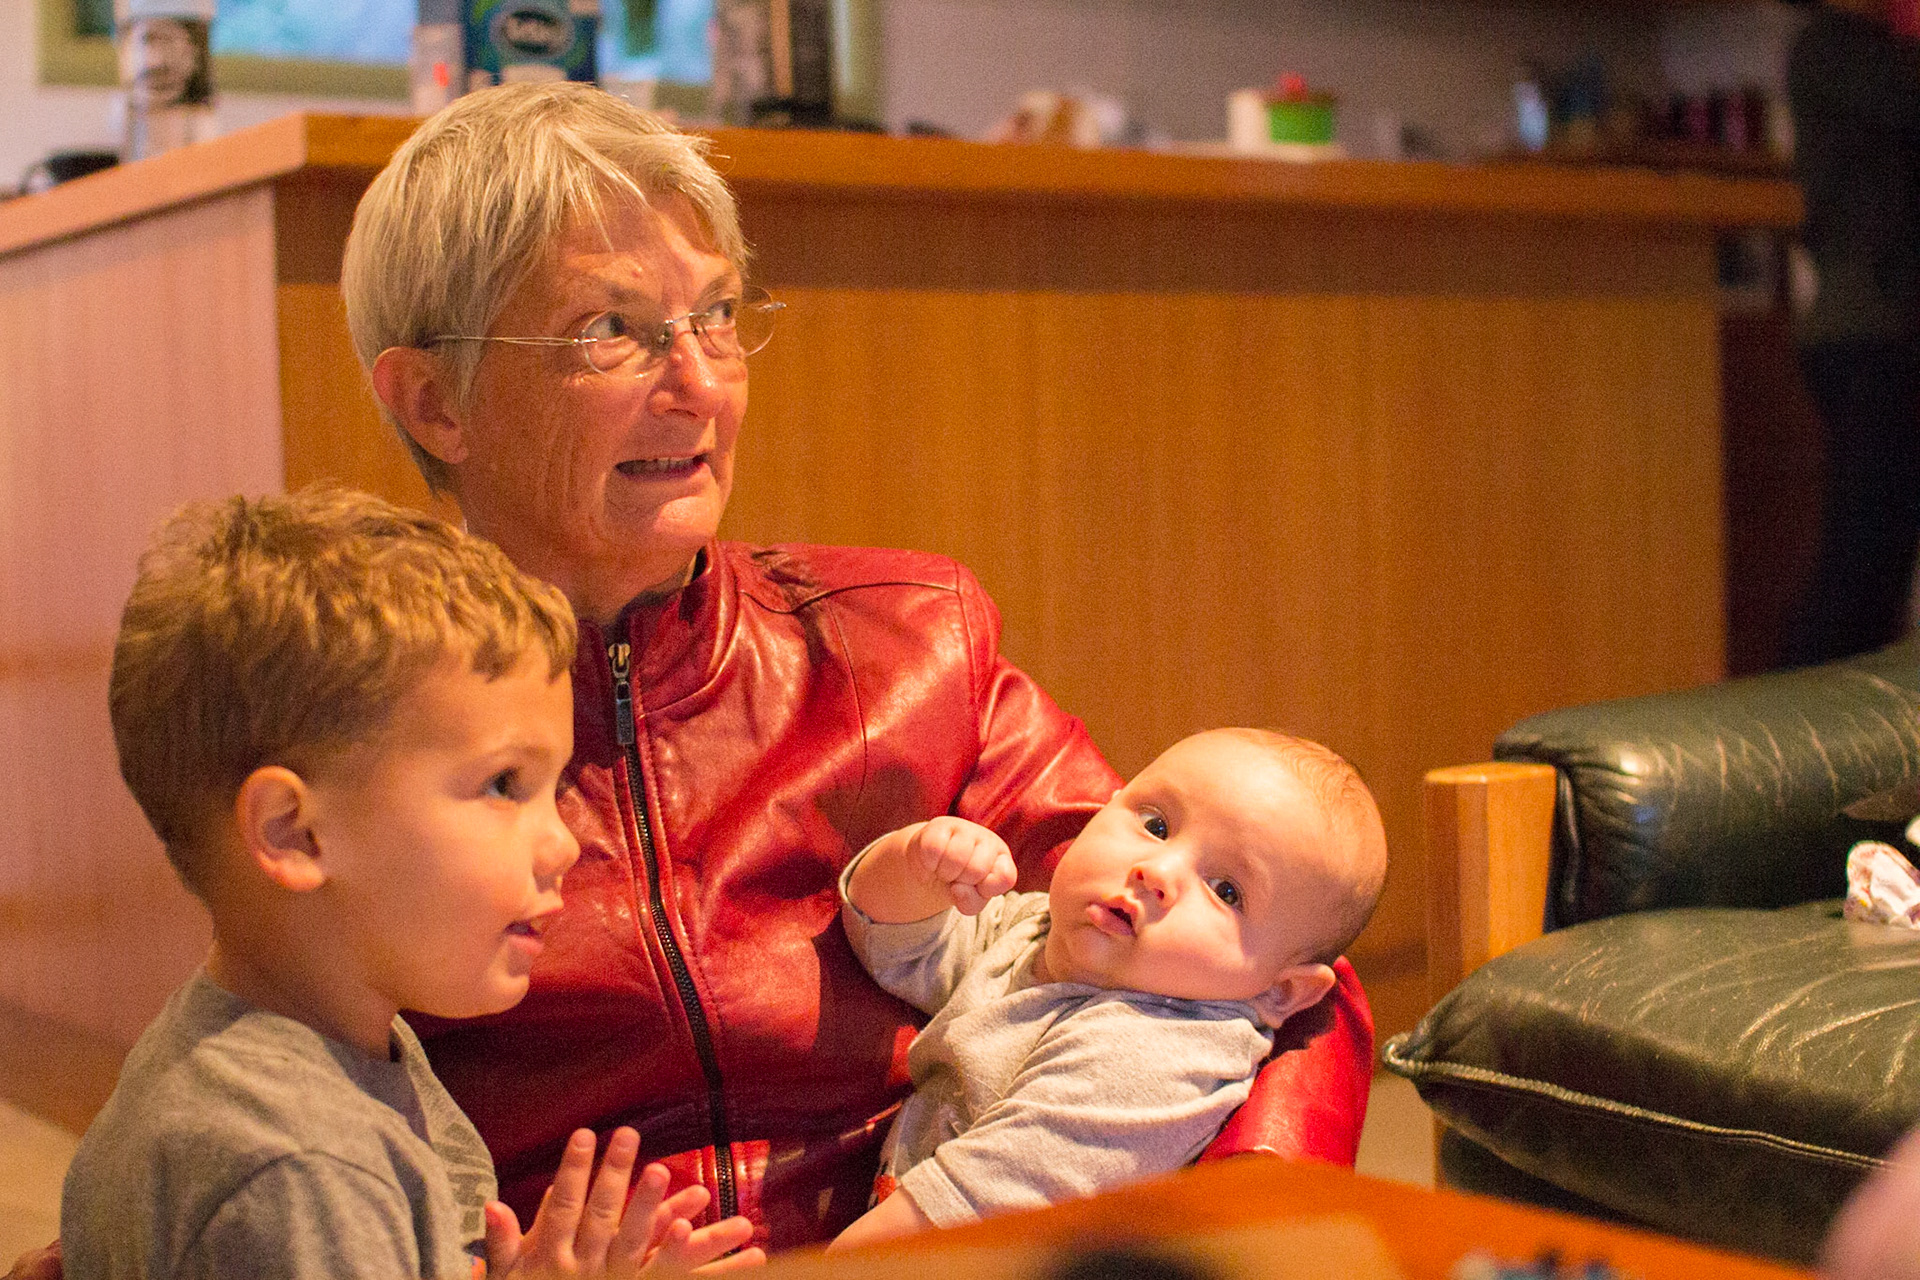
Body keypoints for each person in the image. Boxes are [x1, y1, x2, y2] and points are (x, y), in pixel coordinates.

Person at [8, 81, 1374, 1276]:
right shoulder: (364, 722)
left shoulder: (909, 644)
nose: (701, 386)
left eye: (717, 317)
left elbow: (1274, 967)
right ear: (433, 401)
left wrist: (1244, 1218)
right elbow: (252, 1118)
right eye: (613, 329)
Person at [61, 488, 759, 1279]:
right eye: (504, 785)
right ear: (293, 832)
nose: (562, 843)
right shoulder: (298, 1171)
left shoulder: (331, 1055)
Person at [829, 730, 1387, 1248]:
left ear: (1280, 992)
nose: (1156, 870)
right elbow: (896, 945)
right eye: (1156, 826)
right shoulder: (1039, 930)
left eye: (1226, 891)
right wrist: (916, 862)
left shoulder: (1153, 1056)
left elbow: (959, 1220)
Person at [1783, 0, 1920, 666]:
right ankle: (1792, 714)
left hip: (1872, 330)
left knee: (1877, 556)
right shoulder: (1832, 49)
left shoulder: (1852, 51)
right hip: (1865, 331)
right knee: (1863, 557)